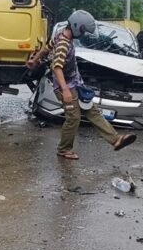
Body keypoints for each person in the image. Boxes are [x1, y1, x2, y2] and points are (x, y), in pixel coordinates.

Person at [27, 10, 136, 160]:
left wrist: (34, 60)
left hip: (75, 84)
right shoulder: (63, 44)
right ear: (77, 26)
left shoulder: (60, 37)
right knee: (73, 118)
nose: (83, 34)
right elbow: (56, 66)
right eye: (83, 31)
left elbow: (46, 49)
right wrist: (65, 91)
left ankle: (116, 140)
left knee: (93, 111)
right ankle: (64, 149)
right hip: (66, 87)